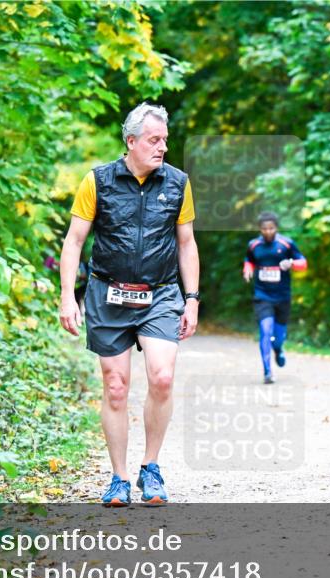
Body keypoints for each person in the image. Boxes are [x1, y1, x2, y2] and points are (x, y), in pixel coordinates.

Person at [58, 102, 200, 507]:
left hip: (160, 293)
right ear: (131, 141)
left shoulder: (177, 183)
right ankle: (119, 478)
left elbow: (187, 244)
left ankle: (150, 466)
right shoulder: (97, 181)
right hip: (108, 293)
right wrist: (69, 295)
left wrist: (191, 300)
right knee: (116, 387)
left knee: (162, 377)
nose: (162, 148)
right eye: (155, 141)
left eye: (166, 141)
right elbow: (74, 242)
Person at [243, 212, 307, 383]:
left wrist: (292, 263)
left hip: (282, 297)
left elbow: (303, 263)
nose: (268, 232)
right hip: (262, 295)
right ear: (260, 229)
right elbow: (249, 259)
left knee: (278, 338)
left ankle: (278, 349)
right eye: (264, 229)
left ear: (276, 228)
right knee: (265, 330)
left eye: (271, 228)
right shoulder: (254, 245)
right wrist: (247, 268)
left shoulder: (286, 244)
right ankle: (267, 372)